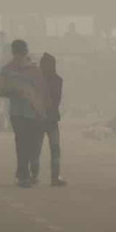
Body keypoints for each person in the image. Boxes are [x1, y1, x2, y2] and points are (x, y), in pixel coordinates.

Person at [0, 39, 49, 188]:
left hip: (35, 111)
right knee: (22, 143)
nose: (19, 57)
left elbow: (43, 91)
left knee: (34, 144)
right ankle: (23, 175)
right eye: (17, 54)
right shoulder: (7, 70)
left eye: (21, 54)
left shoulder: (35, 70)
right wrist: (15, 91)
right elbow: (0, 91)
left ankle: (33, 169)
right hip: (18, 113)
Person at [36, 53, 67, 187]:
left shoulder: (37, 79)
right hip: (52, 118)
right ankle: (55, 177)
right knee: (54, 149)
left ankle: (33, 175)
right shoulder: (57, 80)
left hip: (39, 117)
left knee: (36, 149)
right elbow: (56, 100)